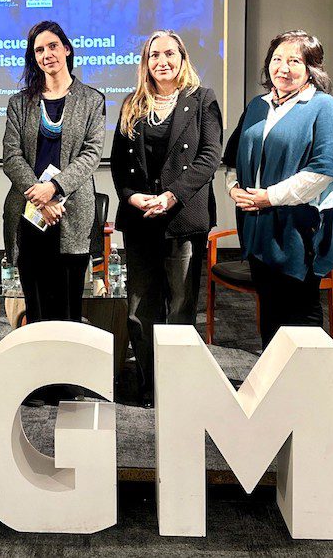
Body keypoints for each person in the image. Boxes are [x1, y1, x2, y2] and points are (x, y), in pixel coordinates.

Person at [224, 30, 333, 348]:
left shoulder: (323, 107)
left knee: (300, 315)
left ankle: (305, 380)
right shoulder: (257, 106)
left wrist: (269, 197)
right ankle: (273, 375)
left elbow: (324, 170)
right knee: (270, 313)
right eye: (277, 59)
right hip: (258, 227)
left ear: (311, 68)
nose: (283, 68)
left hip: (299, 231)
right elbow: (233, 160)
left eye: (294, 61)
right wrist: (234, 189)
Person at [110, 30, 222, 408]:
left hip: (183, 217)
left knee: (180, 306)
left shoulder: (202, 99)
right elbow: (120, 163)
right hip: (141, 218)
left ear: (182, 58)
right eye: (154, 55)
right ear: (146, 63)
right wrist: (132, 196)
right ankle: (148, 382)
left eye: (169, 53)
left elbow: (210, 157)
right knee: (140, 307)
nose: (162, 61)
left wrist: (172, 195)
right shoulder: (132, 104)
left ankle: (177, 383)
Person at [2, 20, 105, 406]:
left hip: (72, 212)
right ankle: (37, 380)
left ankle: (66, 380)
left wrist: (56, 188)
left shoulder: (92, 99)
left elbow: (92, 153)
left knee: (68, 300)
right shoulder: (19, 102)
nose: (46, 55)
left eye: (52, 46)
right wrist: (40, 195)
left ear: (67, 49)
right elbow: (11, 154)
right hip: (30, 212)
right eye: (39, 50)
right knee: (37, 300)